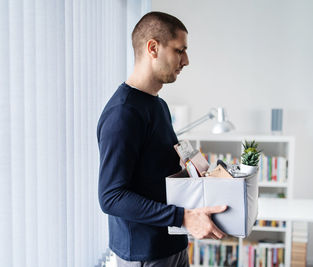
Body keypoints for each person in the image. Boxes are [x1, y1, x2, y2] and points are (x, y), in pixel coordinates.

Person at [97, 11, 227, 267]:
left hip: (172, 244)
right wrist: (183, 217)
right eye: (180, 50)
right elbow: (111, 196)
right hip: (146, 255)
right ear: (153, 48)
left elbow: (158, 174)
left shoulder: (158, 106)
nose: (186, 60)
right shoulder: (123, 113)